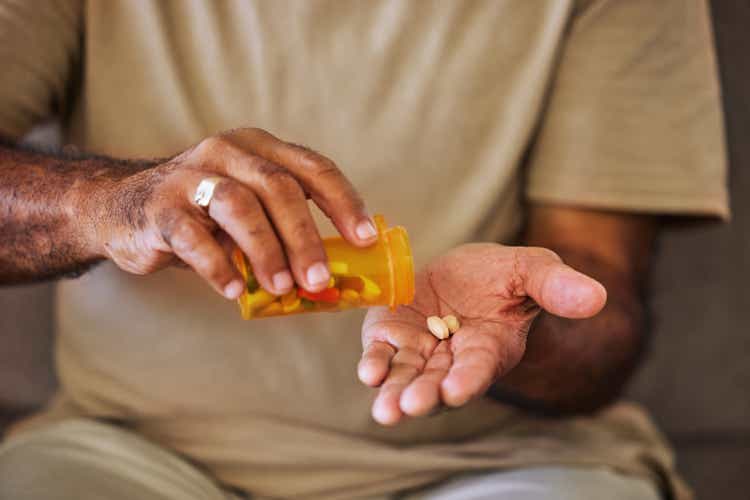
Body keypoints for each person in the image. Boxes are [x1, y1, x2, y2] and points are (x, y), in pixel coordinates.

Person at [0, 1, 727, 499]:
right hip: (126, 451)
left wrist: (521, 323)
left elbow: (600, 309)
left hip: (498, 466)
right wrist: (104, 204)